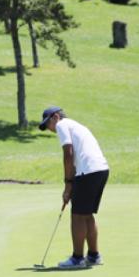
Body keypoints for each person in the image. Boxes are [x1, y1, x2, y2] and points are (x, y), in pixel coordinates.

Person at [39, 106, 110, 268]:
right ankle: (93, 255)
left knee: (77, 215)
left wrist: (68, 184)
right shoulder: (76, 125)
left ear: (55, 117)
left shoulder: (62, 125)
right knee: (86, 214)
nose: (50, 129)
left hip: (88, 172)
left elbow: (68, 153)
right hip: (101, 170)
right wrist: (72, 184)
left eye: (48, 124)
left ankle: (77, 258)